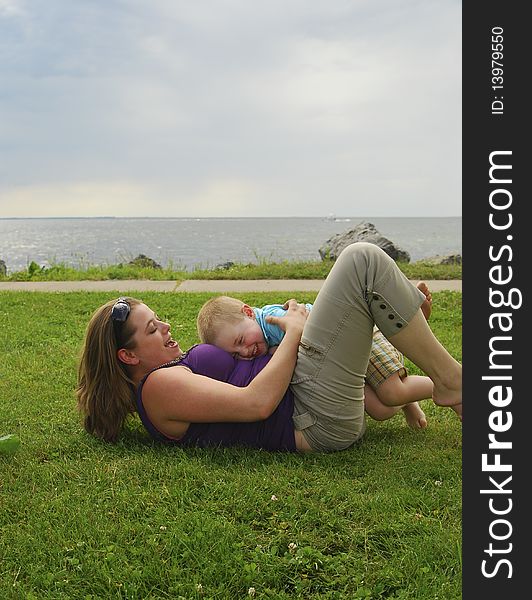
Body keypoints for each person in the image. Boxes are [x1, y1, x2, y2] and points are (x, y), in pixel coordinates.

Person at [77, 242, 462, 452]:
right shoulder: (157, 389)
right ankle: (451, 380)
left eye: (158, 319)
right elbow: (254, 404)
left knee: (361, 282)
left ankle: (418, 344)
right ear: (128, 356)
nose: (165, 326)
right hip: (312, 417)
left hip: (311, 392)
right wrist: (293, 330)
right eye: (151, 329)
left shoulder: (169, 374)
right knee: (361, 260)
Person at [196, 290, 435, 429]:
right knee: (381, 410)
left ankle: (448, 385)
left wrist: (278, 348)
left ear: (249, 313)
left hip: (360, 340)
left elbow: (315, 333)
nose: (246, 352)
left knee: (393, 391)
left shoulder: (274, 321)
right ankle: (410, 403)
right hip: (342, 361)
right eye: (236, 354)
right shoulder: (261, 337)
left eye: (240, 341)